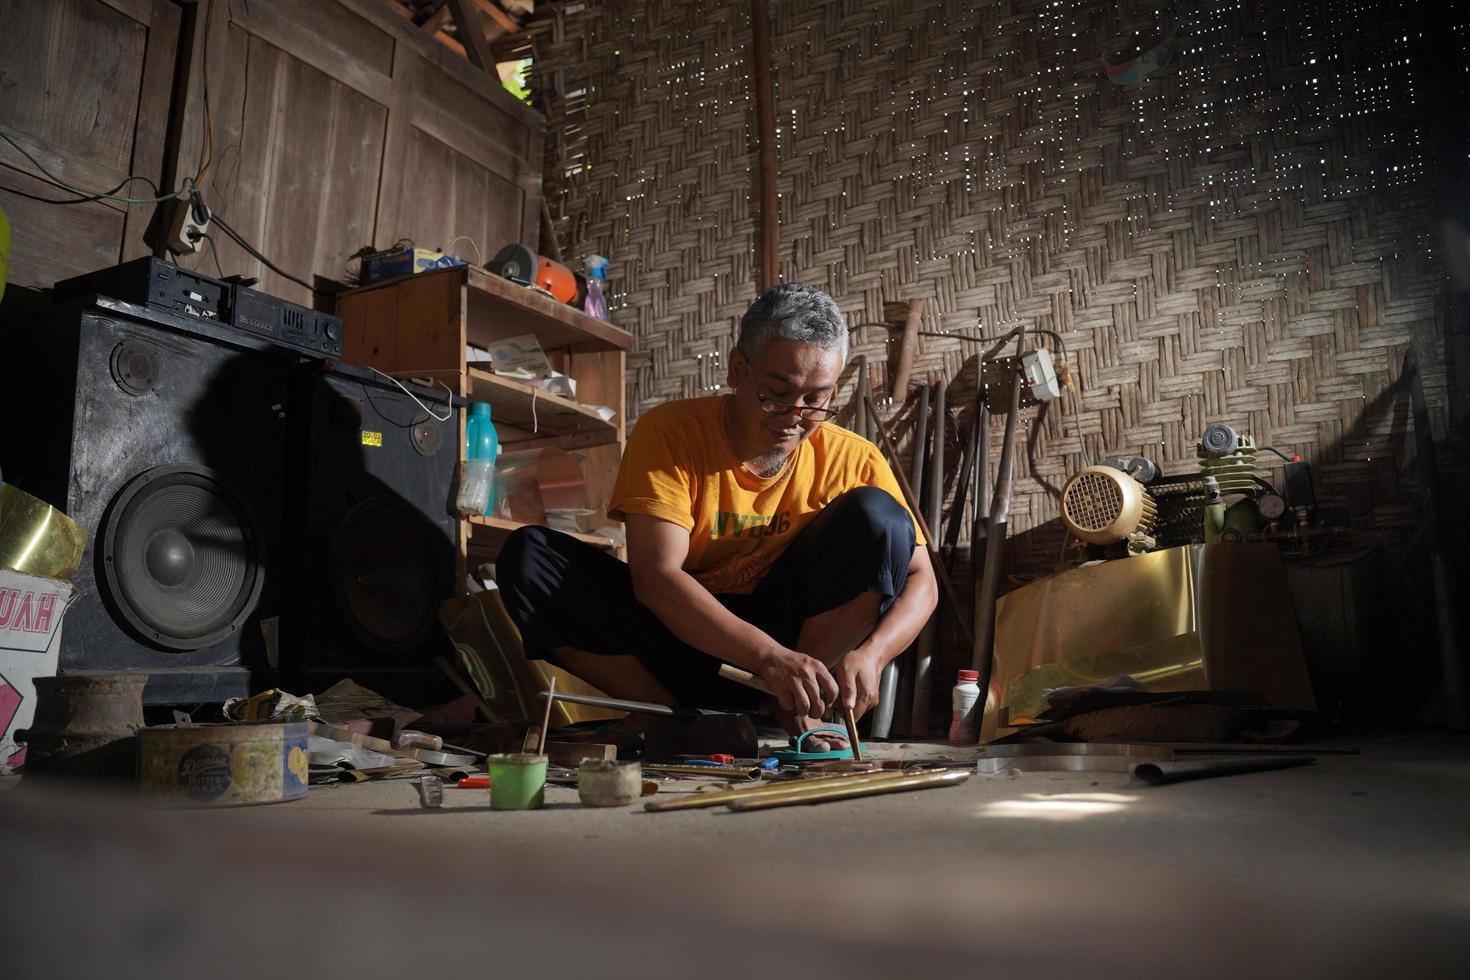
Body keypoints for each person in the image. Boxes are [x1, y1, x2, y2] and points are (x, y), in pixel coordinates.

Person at [498, 282, 937, 752]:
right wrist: (766, 656)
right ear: (736, 370)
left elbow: (923, 580)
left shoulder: (853, 459)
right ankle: (664, 715)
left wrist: (873, 655)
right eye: (777, 393)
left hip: (793, 647)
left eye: (816, 400)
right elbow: (657, 578)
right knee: (530, 557)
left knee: (878, 516)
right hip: (682, 636)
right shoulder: (671, 433)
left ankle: (798, 706)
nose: (795, 415)